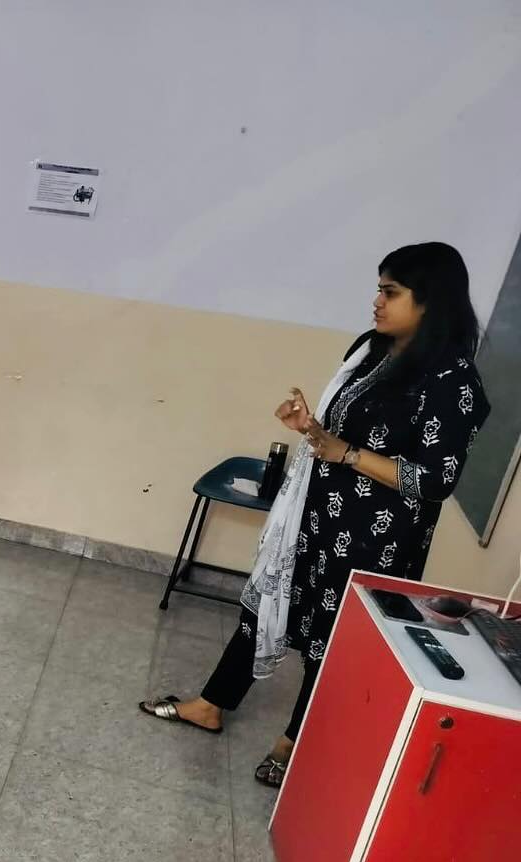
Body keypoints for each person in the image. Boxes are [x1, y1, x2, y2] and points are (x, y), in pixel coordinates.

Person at [142, 242, 491, 787]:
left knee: (330, 638)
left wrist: (346, 453)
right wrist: (312, 428)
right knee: (268, 602)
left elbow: (435, 480)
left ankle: (293, 741)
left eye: (391, 292)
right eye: (379, 288)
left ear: (430, 300)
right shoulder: (373, 351)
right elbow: (343, 435)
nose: (377, 301)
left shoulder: (453, 381)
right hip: (318, 513)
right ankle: (212, 704)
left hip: (377, 538)